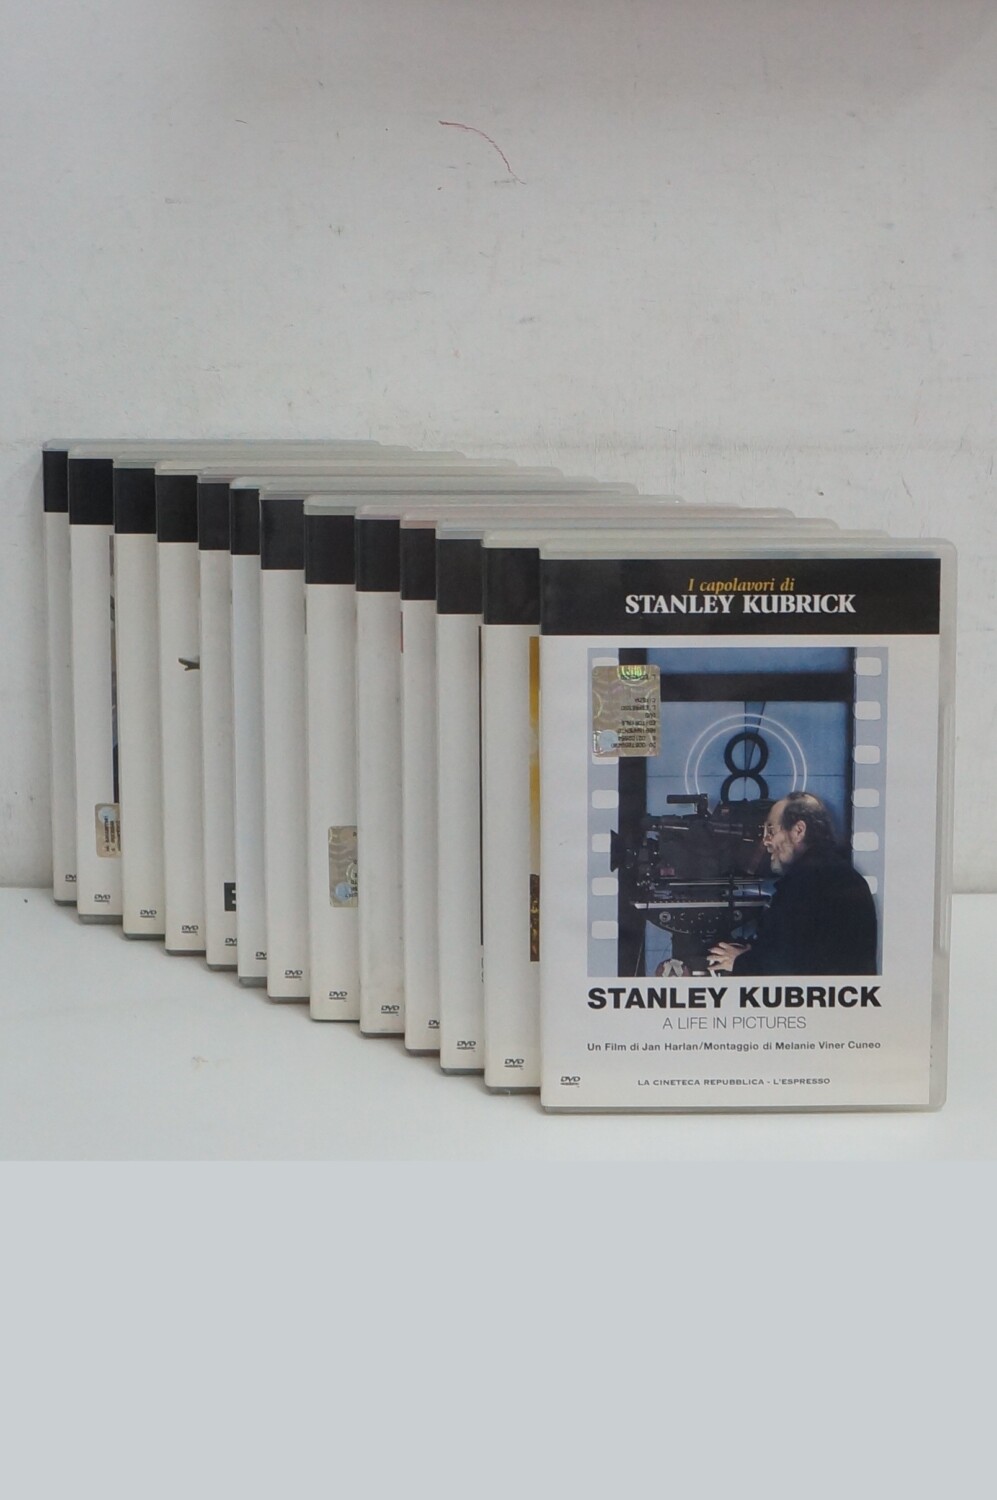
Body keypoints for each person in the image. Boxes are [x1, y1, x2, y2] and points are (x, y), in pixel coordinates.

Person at [707, 793, 878, 976]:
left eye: (771, 831)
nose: (765, 841)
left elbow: (787, 966)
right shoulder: (838, 875)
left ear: (798, 831)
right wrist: (753, 952)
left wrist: (739, 962)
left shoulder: (805, 884)